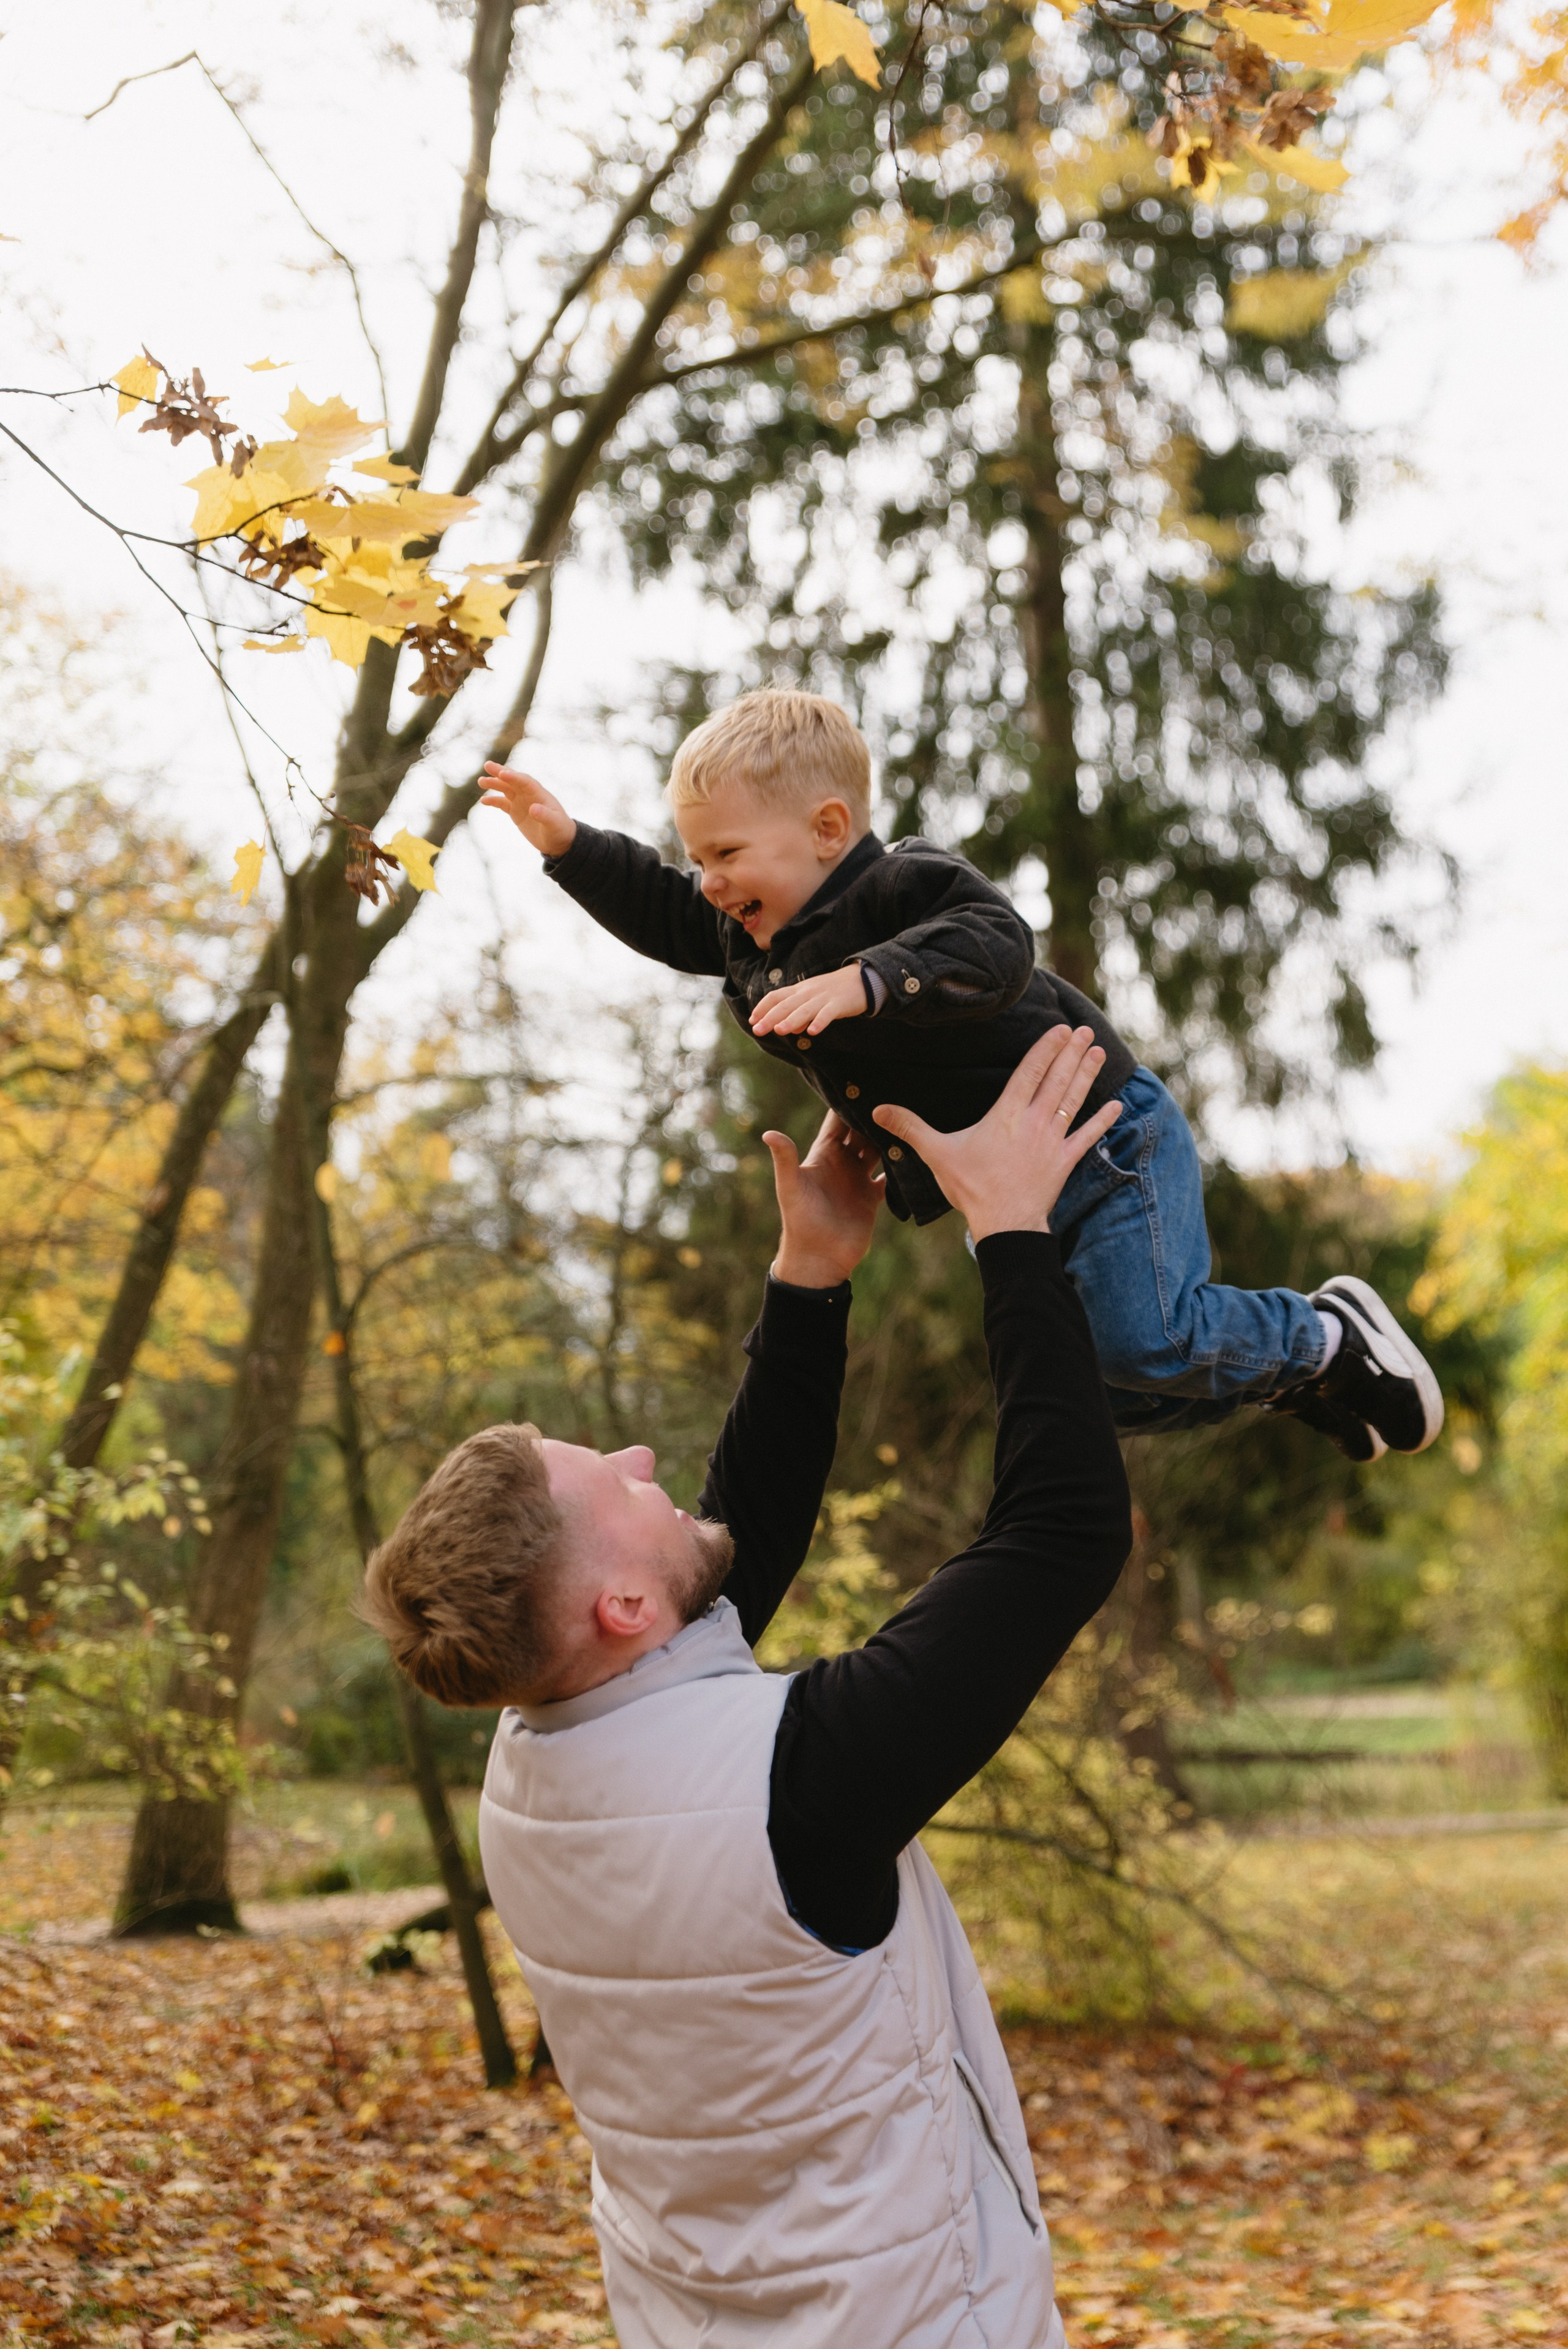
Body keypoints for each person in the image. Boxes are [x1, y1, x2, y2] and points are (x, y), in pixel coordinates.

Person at [362, 1027, 1134, 2349]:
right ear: (616, 1606)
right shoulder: (802, 1781)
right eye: (615, 1480)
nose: (643, 1452)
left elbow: (710, 1572)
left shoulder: (531, 1773)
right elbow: (1060, 1530)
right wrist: (1011, 1232)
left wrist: (810, 1276)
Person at [480, 689, 1443, 1467]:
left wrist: (866, 983)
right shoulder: (748, 936)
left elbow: (996, 946)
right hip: (1009, 1195)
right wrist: (573, 848)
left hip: (1100, 1141)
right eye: (700, 860)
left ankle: (1318, 1337)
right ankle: (1298, 1377)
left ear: (826, 829)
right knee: (1086, 1395)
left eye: (727, 855)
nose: (713, 884)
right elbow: (666, 913)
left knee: (1145, 1343)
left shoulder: (900, 886)